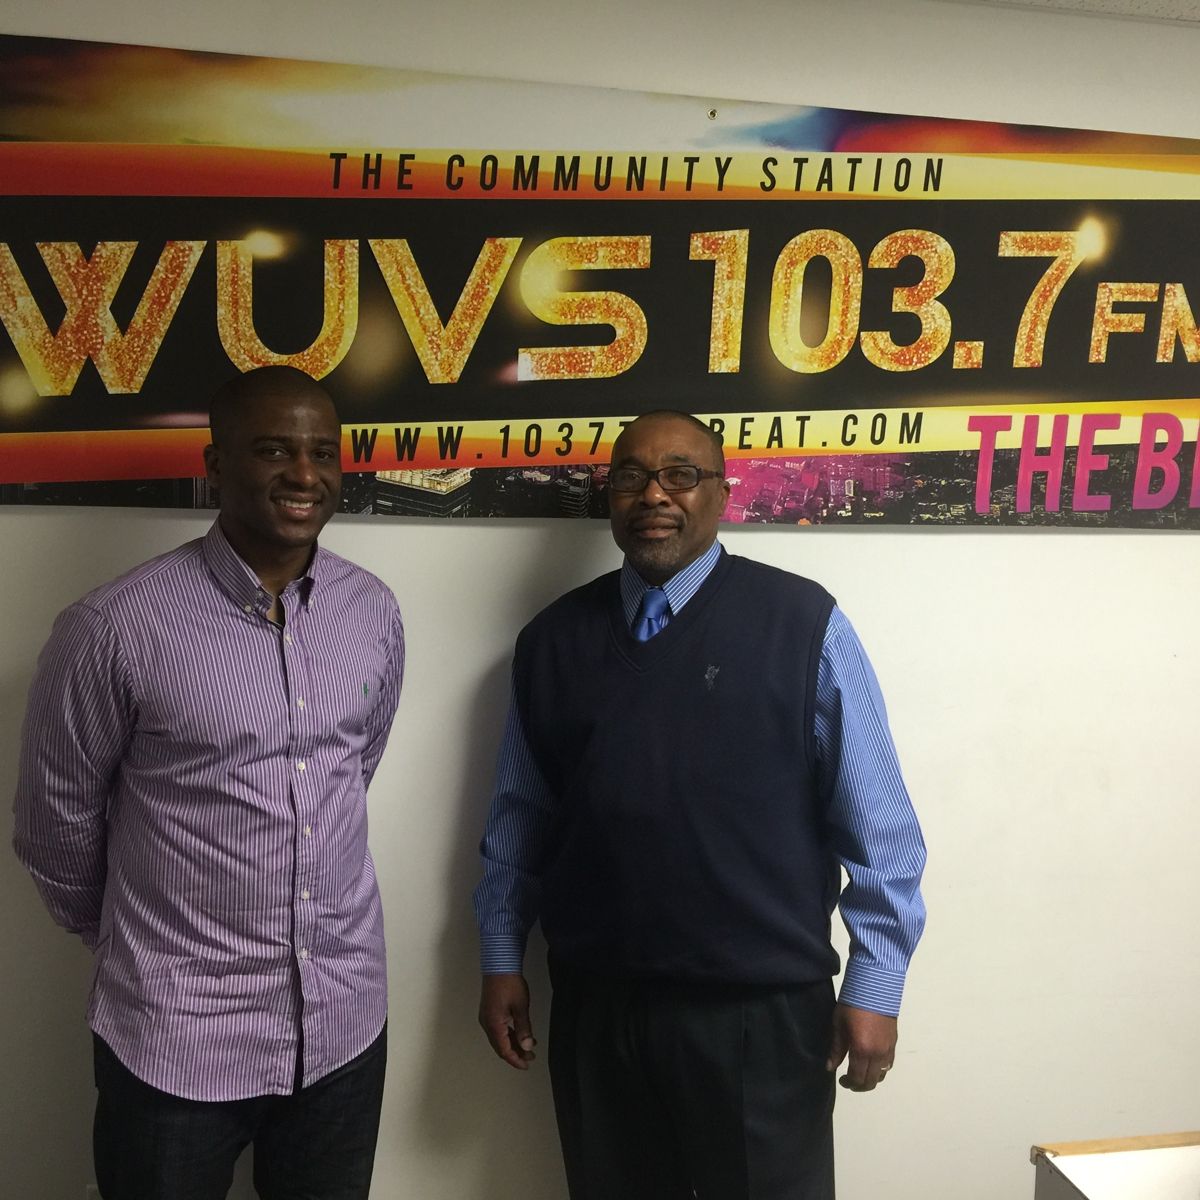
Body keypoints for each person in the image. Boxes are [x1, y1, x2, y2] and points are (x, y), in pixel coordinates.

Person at [474, 409, 926, 1199]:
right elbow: (522, 817)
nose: (654, 494)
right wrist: (500, 955)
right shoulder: (552, 641)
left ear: (723, 492)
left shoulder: (803, 625)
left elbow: (879, 828)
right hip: (598, 1010)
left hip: (761, 1017)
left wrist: (874, 984)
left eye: (680, 474)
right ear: (609, 497)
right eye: (631, 477)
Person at [13, 366, 404, 1200]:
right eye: (274, 450)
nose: (304, 473)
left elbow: (349, 770)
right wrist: (140, 940)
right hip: (174, 1038)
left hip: (340, 1026)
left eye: (322, 452)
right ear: (216, 464)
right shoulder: (113, 627)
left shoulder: (371, 611)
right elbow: (55, 823)